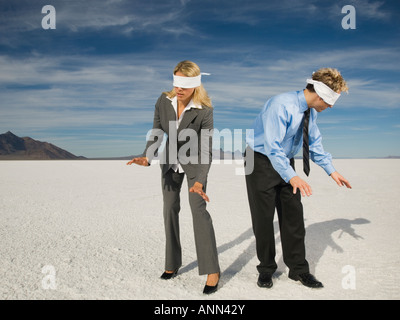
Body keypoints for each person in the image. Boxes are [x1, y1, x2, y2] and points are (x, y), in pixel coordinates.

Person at [245, 68, 352, 289]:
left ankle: (299, 270)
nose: (331, 107)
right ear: (320, 94)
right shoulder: (280, 105)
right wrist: (292, 177)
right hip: (259, 159)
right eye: (330, 101)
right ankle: (266, 269)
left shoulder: (309, 111)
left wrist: (331, 170)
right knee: (263, 218)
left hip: (283, 160)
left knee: (293, 215)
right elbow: (272, 147)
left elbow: (314, 143)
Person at [127, 60, 220, 294]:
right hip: (169, 163)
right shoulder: (163, 101)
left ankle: (212, 269)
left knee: (198, 212)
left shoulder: (204, 110)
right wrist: (147, 156)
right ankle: (172, 263)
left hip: (195, 166)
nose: (179, 89)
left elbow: (207, 148)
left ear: (196, 84)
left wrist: (200, 179)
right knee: (169, 210)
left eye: (184, 84)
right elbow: (157, 131)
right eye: (176, 82)